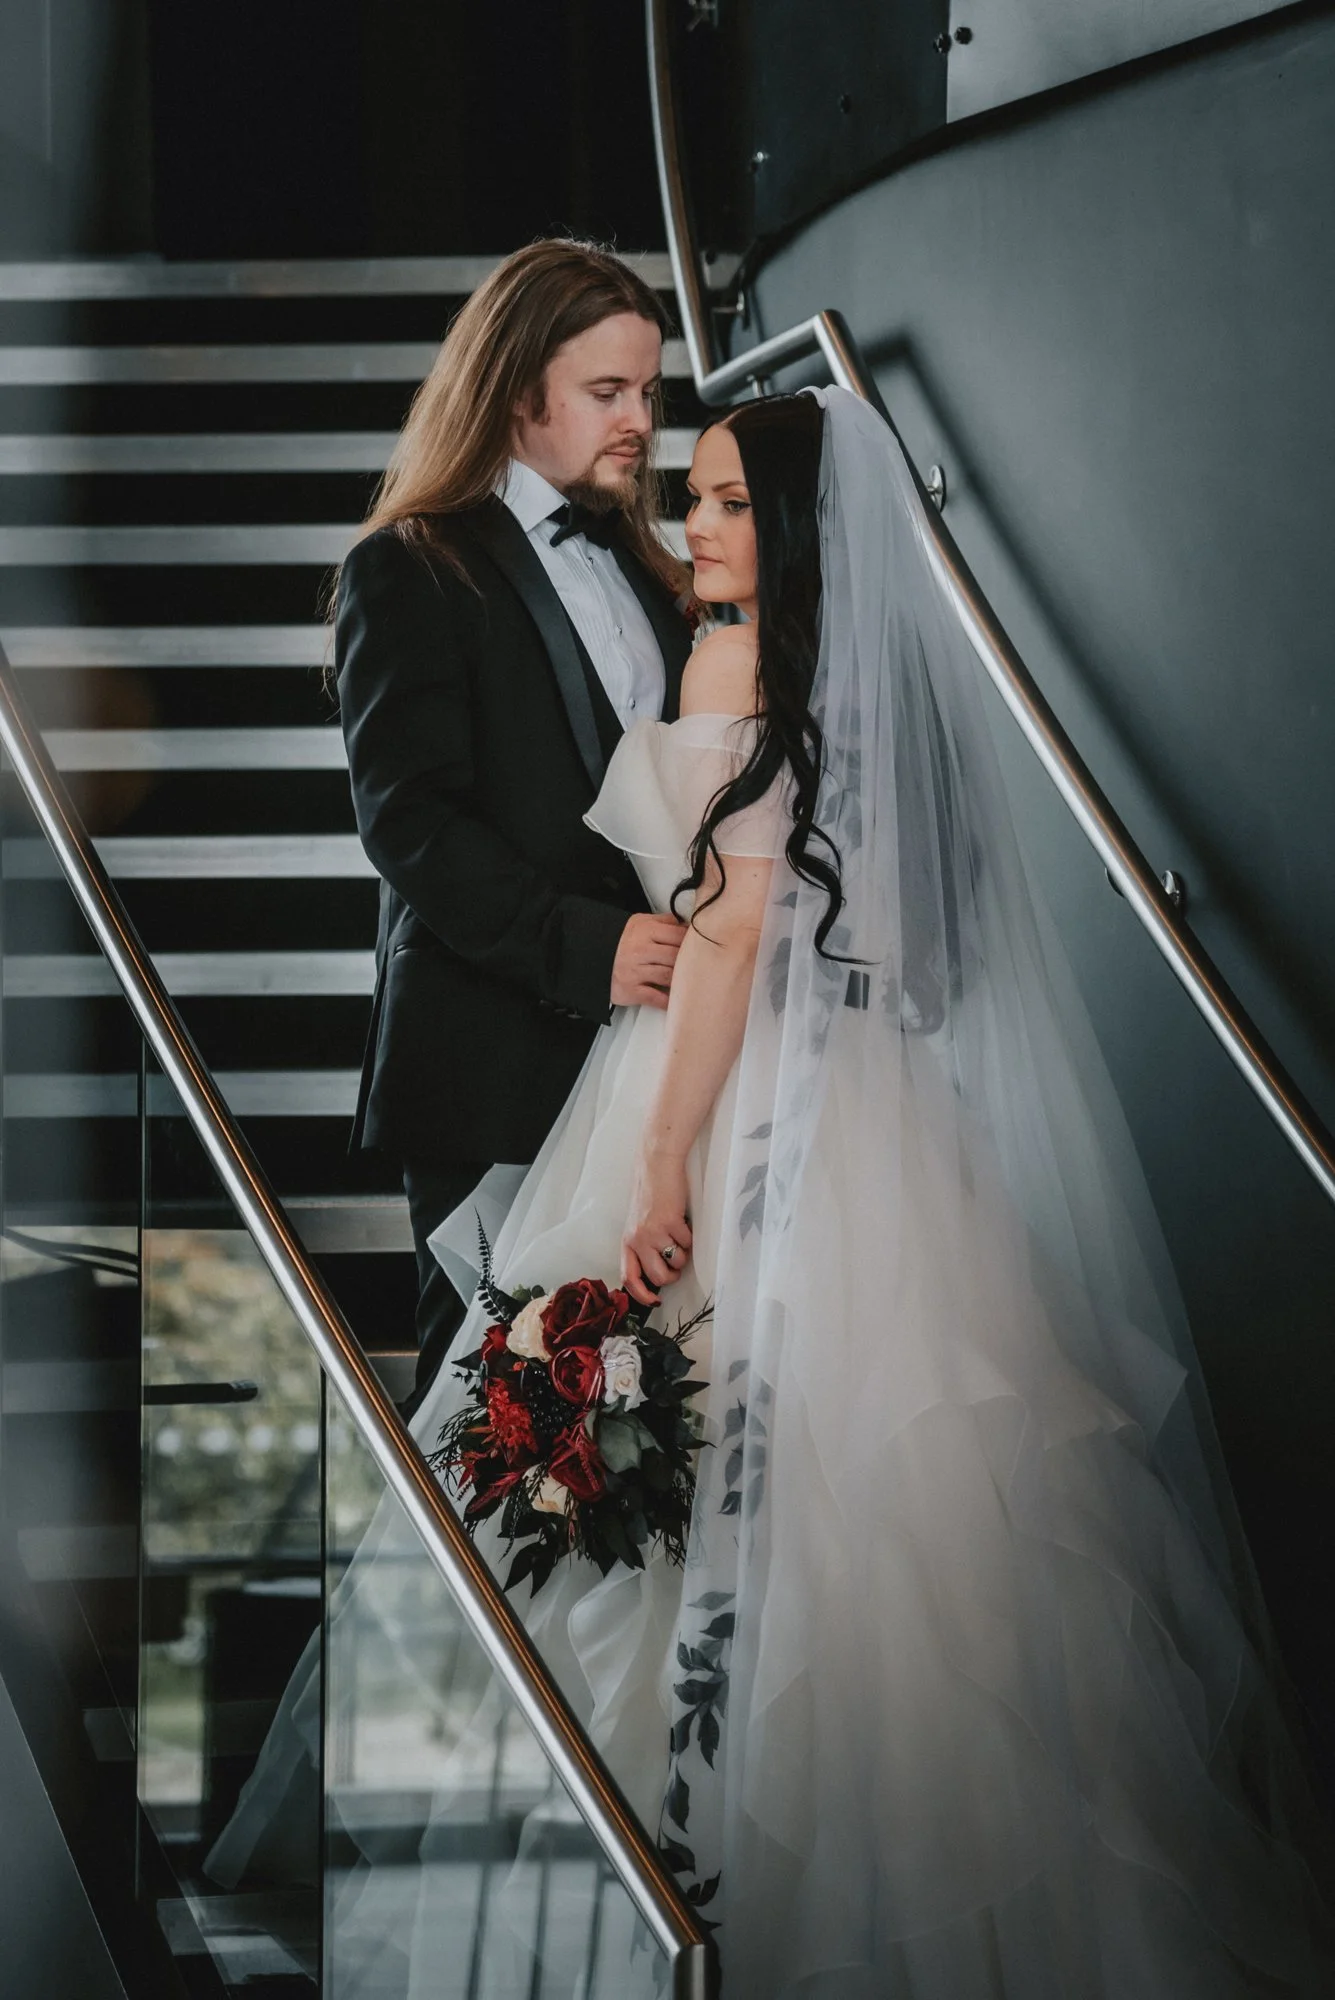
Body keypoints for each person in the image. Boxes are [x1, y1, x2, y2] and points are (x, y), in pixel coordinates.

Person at [405, 385, 1335, 1993]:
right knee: (926, 1508)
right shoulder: (833, 670)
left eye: (724, 502)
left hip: (710, 1093)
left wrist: (657, 1157)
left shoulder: (730, 660)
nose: (692, 528)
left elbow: (725, 937)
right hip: (870, 1109)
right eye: (688, 499)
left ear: (794, 523)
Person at [335, 239, 694, 1415]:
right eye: (608, 393)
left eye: (648, 390)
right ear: (516, 385)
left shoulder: (648, 568)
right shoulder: (408, 566)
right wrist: (592, 948)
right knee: (486, 1421)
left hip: (642, 1057)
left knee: (634, 1420)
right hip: (489, 1053)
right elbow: (410, 822)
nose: (639, 419)